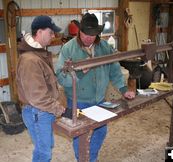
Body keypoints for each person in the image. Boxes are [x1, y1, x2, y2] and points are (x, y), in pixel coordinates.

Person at [56, 13, 135, 162]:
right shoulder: (68, 49)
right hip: (77, 100)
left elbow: (115, 71)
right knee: (80, 134)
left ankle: (90, 158)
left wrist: (124, 89)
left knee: (101, 131)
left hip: (99, 98)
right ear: (79, 31)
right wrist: (79, 73)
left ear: (97, 33)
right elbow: (61, 77)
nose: (88, 38)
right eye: (85, 33)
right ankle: (82, 159)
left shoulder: (105, 47)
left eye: (92, 34)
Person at [16, 15, 66, 162]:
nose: (53, 35)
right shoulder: (30, 60)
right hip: (37, 111)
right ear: (39, 32)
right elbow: (37, 96)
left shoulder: (38, 55)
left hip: (41, 111)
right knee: (44, 152)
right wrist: (57, 108)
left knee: (44, 147)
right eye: (50, 32)